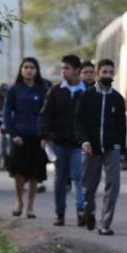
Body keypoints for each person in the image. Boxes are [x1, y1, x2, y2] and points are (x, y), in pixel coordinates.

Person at [75, 58, 127, 235]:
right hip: (92, 147)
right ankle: (89, 210)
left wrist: (121, 151)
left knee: (113, 185)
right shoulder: (86, 96)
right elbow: (79, 122)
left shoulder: (118, 99)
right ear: (97, 73)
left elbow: (122, 126)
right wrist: (84, 141)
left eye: (110, 72)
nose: (107, 75)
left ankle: (105, 223)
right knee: (88, 186)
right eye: (104, 72)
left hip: (112, 147)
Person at [38, 54, 86, 226]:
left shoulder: (87, 91)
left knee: (78, 177)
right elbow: (45, 114)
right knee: (60, 179)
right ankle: (60, 213)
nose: (63, 72)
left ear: (77, 71)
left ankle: (82, 210)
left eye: (67, 68)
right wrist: (44, 135)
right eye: (62, 68)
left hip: (80, 144)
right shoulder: (56, 91)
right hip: (59, 143)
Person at [3, 57, 48, 218]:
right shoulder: (14, 89)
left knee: (35, 173)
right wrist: (13, 134)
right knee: (19, 172)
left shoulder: (43, 89)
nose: (29, 70)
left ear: (37, 71)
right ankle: (19, 202)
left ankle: (30, 207)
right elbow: (7, 114)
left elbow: (48, 114)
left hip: (37, 136)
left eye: (32, 67)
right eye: (26, 67)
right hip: (19, 136)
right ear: (21, 70)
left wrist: (45, 136)